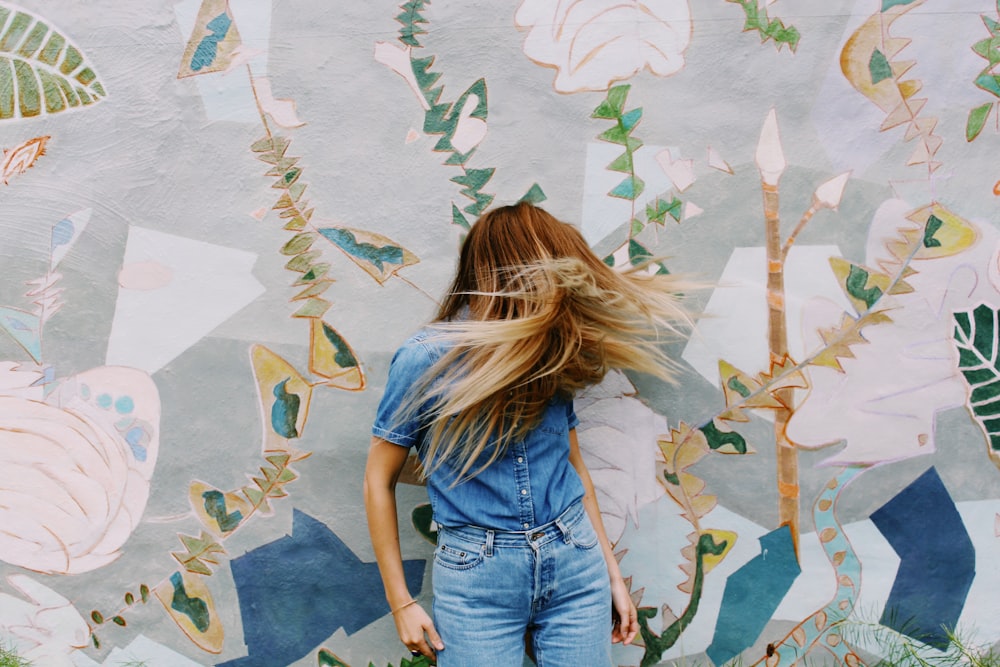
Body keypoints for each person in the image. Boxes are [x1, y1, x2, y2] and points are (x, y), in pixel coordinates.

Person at [364, 202, 691, 666]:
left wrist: (612, 573)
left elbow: (573, 467)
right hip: (477, 580)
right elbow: (379, 479)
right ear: (510, 271)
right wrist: (401, 603)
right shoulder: (425, 358)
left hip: (575, 562)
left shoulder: (550, 350)